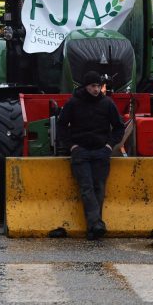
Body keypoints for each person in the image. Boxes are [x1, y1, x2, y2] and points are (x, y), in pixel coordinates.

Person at [56, 71, 125, 240]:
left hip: (101, 151)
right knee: (87, 188)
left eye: (99, 86)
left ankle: (94, 228)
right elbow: (61, 125)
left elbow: (119, 126)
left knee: (99, 188)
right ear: (85, 86)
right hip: (81, 152)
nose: (96, 89)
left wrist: (109, 146)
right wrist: (72, 146)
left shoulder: (107, 104)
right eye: (93, 86)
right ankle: (97, 224)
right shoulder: (73, 103)